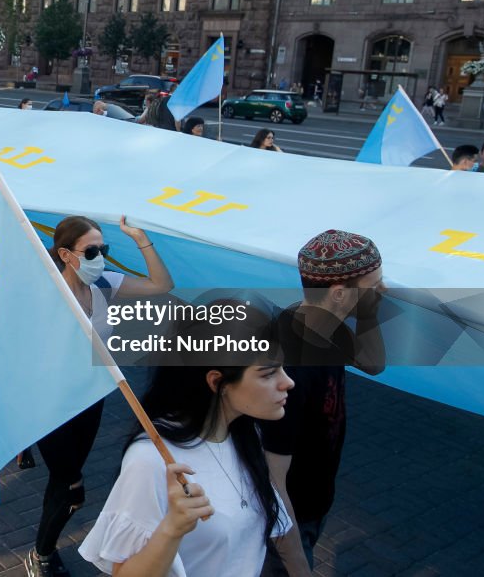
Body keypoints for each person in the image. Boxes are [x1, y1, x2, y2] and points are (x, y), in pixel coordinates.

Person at [79, 301, 296, 577]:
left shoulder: (244, 433)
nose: (288, 382)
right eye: (268, 373)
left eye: (284, 368)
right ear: (217, 383)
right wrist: (172, 528)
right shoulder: (152, 459)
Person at [25, 215, 175, 577]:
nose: (101, 257)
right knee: (72, 488)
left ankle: (42, 550)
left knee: (62, 482)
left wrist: (140, 239)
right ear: (65, 254)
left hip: (91, 398)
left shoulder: (104, 283)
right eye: (91, 250)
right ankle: (40, 556)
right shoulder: (43, 289)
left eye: (104, 249)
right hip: (49, 404)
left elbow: (161, 284)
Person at [261, 229, 387, 574]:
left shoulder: (320, 324)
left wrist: (368, 312)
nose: (383, 291)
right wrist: (297, 563)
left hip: (314, 503)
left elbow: (373, 365)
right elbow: (273, 481)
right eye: (375, 285)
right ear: (338, 293)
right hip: (286, 521)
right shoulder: (290, 370)